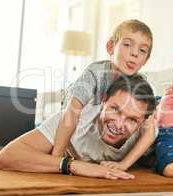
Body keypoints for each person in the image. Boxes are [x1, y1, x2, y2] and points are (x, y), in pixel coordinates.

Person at [0, 75, 156, 180]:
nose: (119, 124)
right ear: (103, 100)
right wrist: (74, 165)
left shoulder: (146, 132)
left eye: (132, 119)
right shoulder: (74, 119)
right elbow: (6, 157)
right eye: (115, 109)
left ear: (143, 122)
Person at [52, 19, 156, 171]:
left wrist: (124, 164)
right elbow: (71, 113)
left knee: (156, 118)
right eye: (127, 44)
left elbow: (150, 129)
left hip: (101, 124)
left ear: (145, 60)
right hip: (75, 107)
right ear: (111, 47)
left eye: (142, 50)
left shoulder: (140, 83)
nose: (134, 53)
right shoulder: (95, 74)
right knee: (69, 114)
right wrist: (56, 157)